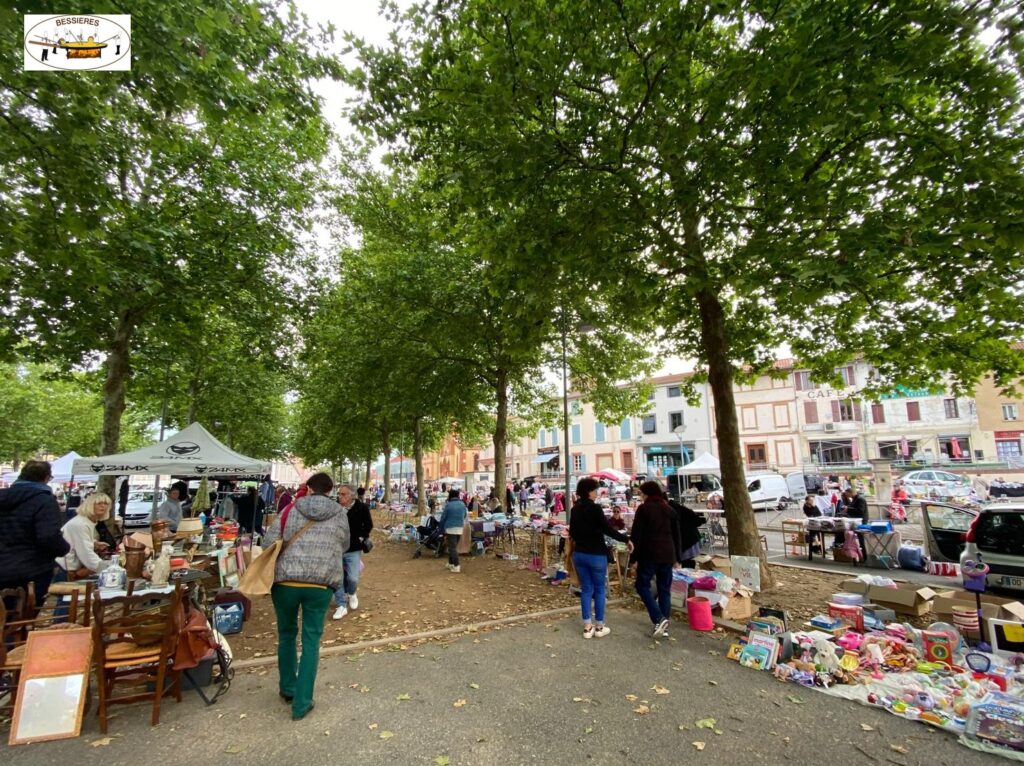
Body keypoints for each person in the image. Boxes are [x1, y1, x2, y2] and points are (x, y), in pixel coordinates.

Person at [262, 472, 349, 721]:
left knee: (287, 635)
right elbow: (344, 544)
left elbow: (270, 540)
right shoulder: (340, 513)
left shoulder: (290, 509)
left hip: (286, 581)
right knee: (311, 640)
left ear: (309, 488)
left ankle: (288, 687)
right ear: (331, 490)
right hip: (321, 584)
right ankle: (302, 703)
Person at [0, 460, 70, 606]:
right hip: (30, 569)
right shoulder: (44, 500)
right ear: (46, 478)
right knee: (22, 619)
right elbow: (48, 536)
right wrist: (64, 548)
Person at [569, 477, 630, 638]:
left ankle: (587, 626)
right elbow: (608, 529)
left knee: (586, 589)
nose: (597, 493)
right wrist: (626, 539)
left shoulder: (575, 509)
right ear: (589, 491)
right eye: (595, 490)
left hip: (580, 554)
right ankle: (600, 626)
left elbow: (572, 533)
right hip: (596, 554)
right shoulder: (595, 509)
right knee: (600, 589)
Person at [631, 480, 681, 638]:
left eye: (641, 494)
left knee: (642, 586)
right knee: (664, 589)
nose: (641, 496)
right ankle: (663, 625)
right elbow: (677, 536)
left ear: (647, 494)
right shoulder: (669, 510)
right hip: (668, 555)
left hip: (649, 555)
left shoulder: (643, 509)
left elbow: (637, 535)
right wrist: (677, 558)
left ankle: (659, 618)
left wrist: (634, 558)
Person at [332, 485, 373, 620]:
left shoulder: (362, 508)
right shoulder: (335, 508)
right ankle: (341, 605)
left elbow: (368, 525)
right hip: (336, 547)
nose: (340, 497)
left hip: (353, 548)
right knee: (338, 578)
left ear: (351, 496)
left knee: (352, 578)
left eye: (343, 494)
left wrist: (360, 537)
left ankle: (352, 592)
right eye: (339, 494)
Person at [57, 492, 113, 579]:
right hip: (64, 569)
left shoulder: (88, 521)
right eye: (99, 503)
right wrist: (110, 568)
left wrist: (94, 543)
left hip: (68, 568)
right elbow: (87, 555)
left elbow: (78, 541)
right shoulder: (80, 524)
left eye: (106, 504)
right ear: (90, 505)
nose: (103, 506)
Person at [668, 498, 705, 568]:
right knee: (688, 562)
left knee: (687, 563)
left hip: (689, 540)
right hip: (691, 539)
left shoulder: (673, 510)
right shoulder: (679, 508)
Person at [438, 489, 468, 573]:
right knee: (453, 547)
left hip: (450, 527)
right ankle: (450, 563)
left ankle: (456, 565)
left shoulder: (448, 505)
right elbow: (465, 515)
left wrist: (441, 528)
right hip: (460, 527)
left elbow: (443, 517)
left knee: (452, 548)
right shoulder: (462, 504)